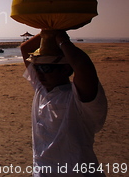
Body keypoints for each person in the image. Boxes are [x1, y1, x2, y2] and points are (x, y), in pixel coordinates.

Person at [21, 30, 108, 176]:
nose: (39, 73)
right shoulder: (41, 90)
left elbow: (84, 67)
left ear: (66, 68)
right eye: (36, 67)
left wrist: (62, 40)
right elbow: (25, 49)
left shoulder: (78, 99)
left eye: (45, 68)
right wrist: (48, 32)